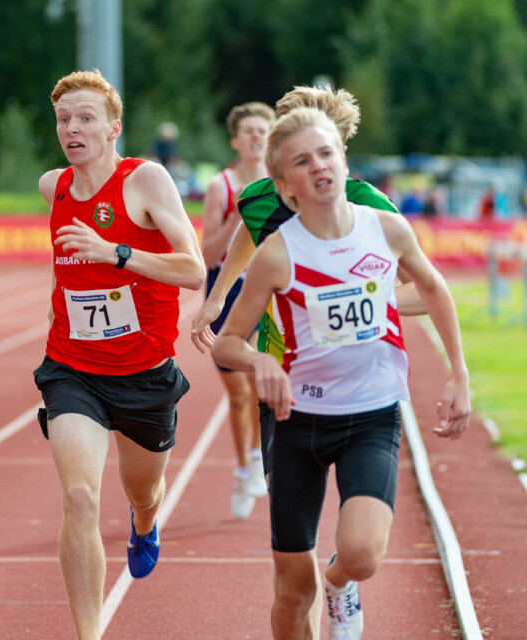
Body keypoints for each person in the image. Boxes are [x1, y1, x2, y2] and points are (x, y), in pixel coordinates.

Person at [212, 107, 471, 640]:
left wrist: (459, 375)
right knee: (290, 595)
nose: (319, 167)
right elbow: (229, 341)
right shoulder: (276, 256)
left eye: (326, 154)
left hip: (370, 417)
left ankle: (339, 582)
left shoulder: (388, 229)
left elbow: (434, 288)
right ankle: (314, 590)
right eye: (302, 162)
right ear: (284, 185)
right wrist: (260, 360)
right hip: (295, 423)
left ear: (344, 160)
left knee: (362, 555)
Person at [33, 69, 206, 640]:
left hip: (144, 373)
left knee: (143, 490)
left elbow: (192, 269)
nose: (73, 128)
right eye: (64, 119)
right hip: (73, 370)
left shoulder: (146, 181)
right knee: (80, 498)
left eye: (86, 118)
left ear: (114, 128)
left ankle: (145, 523)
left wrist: (116, 252)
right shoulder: (52, 187)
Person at [192, 85, 426, 481]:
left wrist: (352, 299)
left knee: (360, 520)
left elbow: (423, 291)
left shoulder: (372, 206)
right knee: (290, 517)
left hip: (355, 378)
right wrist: (216, 298)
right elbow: (247, 235)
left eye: (322, 149)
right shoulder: (258, 200)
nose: (314, 165)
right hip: (285, 371)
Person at [199, 101, 274, 519]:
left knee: (262, 382)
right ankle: (247, 464)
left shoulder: (284, 182)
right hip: (227, 288)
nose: (256, 137)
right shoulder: (220, 186)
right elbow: (207, 253)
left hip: (270, 291)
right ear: (235, 140)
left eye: (263, 130)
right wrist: (238, 220)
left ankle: (260, 455)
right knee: (238, 391)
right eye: (248, 131)